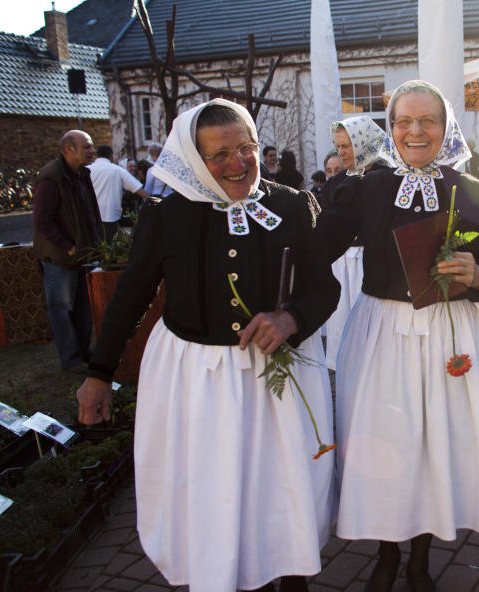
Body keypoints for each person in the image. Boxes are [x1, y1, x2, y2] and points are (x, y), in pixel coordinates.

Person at [76, 99, 340, 592]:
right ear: (194, 160)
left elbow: (324, 288)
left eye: (247, 148)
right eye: (219, 155)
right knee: (216, 487)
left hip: (277, 375)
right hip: (197, 378)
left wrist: (291, 317)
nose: (239, 164)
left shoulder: (291, 203)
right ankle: (227, 572)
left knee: (281, 480)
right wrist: (98, 372)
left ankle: (291, 570)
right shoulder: (167, 216)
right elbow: (131, 295)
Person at [323, 80, 479, 592]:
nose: (415, 130)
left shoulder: (473, 191)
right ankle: (388, 554)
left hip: (451, 335)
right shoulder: (366, 187)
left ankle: (420, 558)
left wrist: (477, 276)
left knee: (438, 443)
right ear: (390, 129)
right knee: (387, 445)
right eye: (403, 121)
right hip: (383, 333)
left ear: (445, 126)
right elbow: (311, 250)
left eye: (426, 120)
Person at [32, 130, 103, 373]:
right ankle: (71, 359)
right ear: (69, 149)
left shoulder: (81, 174)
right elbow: (42, 221)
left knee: (82, 307)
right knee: (61, 308)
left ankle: (83, 353)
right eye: (87, 147)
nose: (92, 151)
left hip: (81, 255)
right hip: (60, 257)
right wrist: (68, 247)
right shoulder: (51, 177)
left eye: (91, 146)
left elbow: (88, 213)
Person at [323, 115, 389, 371]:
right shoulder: (338, 182)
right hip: (342, 260)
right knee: (342, 317)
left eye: (347, 145)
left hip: (373, 259)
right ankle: (342, 366)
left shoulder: (387, 178)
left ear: (364, 141)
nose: (341, 152)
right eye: (338, 146)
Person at [87, 145, 147, 240]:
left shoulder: (87, 170)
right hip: (110, 215)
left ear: (97, 155)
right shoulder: (117, 170)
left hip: (91, 216)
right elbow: (137, 188)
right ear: (111, 156)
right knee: (110, 248)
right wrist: (154, 200)